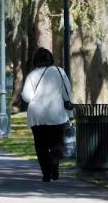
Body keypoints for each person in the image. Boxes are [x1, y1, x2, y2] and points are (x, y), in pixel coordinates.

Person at [20, 47, 73, 182]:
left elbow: (27, 96)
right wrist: (70, 111)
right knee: (58, 144)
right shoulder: (59, 72)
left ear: (35, 60)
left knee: (40, 145)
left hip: (36, 115)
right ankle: (53, 162)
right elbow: (67, 93)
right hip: (56, 114)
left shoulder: (32, 75)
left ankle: (46, 173)